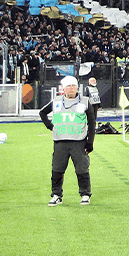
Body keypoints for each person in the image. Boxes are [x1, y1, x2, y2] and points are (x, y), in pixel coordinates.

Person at [39, 75, 97, 206]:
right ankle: (56, 195)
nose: (71, 88)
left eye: (73, 86)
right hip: (60, 142)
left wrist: (90, 142)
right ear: (63, 88)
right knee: (57, 170)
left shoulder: (85, 101)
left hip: (79, 141)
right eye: (68, 86)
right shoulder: (56, 101)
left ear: (77, 87)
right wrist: (50, 126)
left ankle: (85, 194)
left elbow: (92, 123)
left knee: (82, 169)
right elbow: (42, 113)